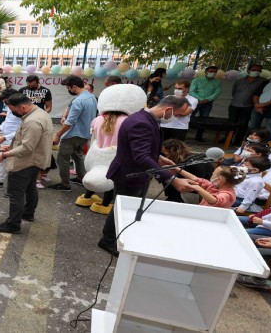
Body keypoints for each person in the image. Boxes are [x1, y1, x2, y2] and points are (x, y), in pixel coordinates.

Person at [98, 96, 196, 256]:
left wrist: (158, 157)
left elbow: (143, 149)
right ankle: (108, 241)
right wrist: (172, 180)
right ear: (168, 109)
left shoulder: (144, 118)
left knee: (128, 207)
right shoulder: (141, 122)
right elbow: (141, 156)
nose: (176, 118)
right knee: (122, 209)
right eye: (177, 114)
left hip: (137, 173)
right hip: (130, 174)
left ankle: (116, 236)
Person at [75, 84, 147, 214]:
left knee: (97, 175)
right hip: (117, 156)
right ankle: (104, 204)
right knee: (111, 180)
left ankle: (86, 198)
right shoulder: (129, 121)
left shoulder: (97, 120)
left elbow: (93, 137)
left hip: (97, 155)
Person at [0, 93, 54, 234]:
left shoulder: (32, 121)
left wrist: (4, 154)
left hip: (26, 162)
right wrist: (10, 145)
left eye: (13, 110)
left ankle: (13, 224)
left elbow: (27, 147)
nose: (12, 113)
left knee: (16, 194)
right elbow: (25, 140)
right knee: (30, 188)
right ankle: (28, 213)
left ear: (23, 107)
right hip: (36, 159)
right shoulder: (39, 112)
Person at [50, 76, 97, 191]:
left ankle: (65, 184)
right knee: (78, 156)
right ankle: (82, 178)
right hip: (85, 133)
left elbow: (70, 122)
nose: (68, 90)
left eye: (68, 88)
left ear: (74, 87)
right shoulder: (92, 97)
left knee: (62, 158)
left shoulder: (79, 101)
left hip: (73, 135)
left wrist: (58, 135)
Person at [160, 139, 214, 203]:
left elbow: (200, 181)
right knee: (166, 174)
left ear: (173, 151)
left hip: (207, 184)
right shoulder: (179, 159)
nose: (163, 154)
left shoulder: (195, 162)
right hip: (194, 180)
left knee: (170, 175)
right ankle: (174, 198)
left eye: (164, 151)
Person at [229, 64, 268, 146]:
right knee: (231, 123)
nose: (256, 72)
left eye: (258, 70)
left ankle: (238, 141)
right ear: (248, 70)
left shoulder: (263, 81)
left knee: (243, 124)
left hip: (248, 106)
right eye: (254, 70)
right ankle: (227, 139)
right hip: (235, 104)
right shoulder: (240, 81)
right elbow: (234, 92)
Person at [179, 166, 248, 209]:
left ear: (219, 179)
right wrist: (177, 169)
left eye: (214, 174)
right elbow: (196, 179)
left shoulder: (228, 194)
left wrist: (197, 188)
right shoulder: (214, 186)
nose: (212, 176)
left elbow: (215, 200)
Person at [190, 66, 223, 142]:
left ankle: (199, 136)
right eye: (211, 71)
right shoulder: (197, 80)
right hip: (195, 101)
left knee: (204, 119)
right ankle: (185, 133)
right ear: (206, 72)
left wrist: (207, 100)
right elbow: (192, 91)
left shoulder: (218, 82)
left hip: (208, 103)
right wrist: (201, 99)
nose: (213, 73)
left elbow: (217, 93)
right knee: (189, 117)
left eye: (215, 72)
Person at [249, 73, 271, 141]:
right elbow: (256, 94)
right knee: (252, 127)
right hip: (258, 107)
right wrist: (257, 104)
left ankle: (267, 146)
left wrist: (263, 105)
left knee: (270, 129)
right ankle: (251, 143)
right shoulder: (266, 82)